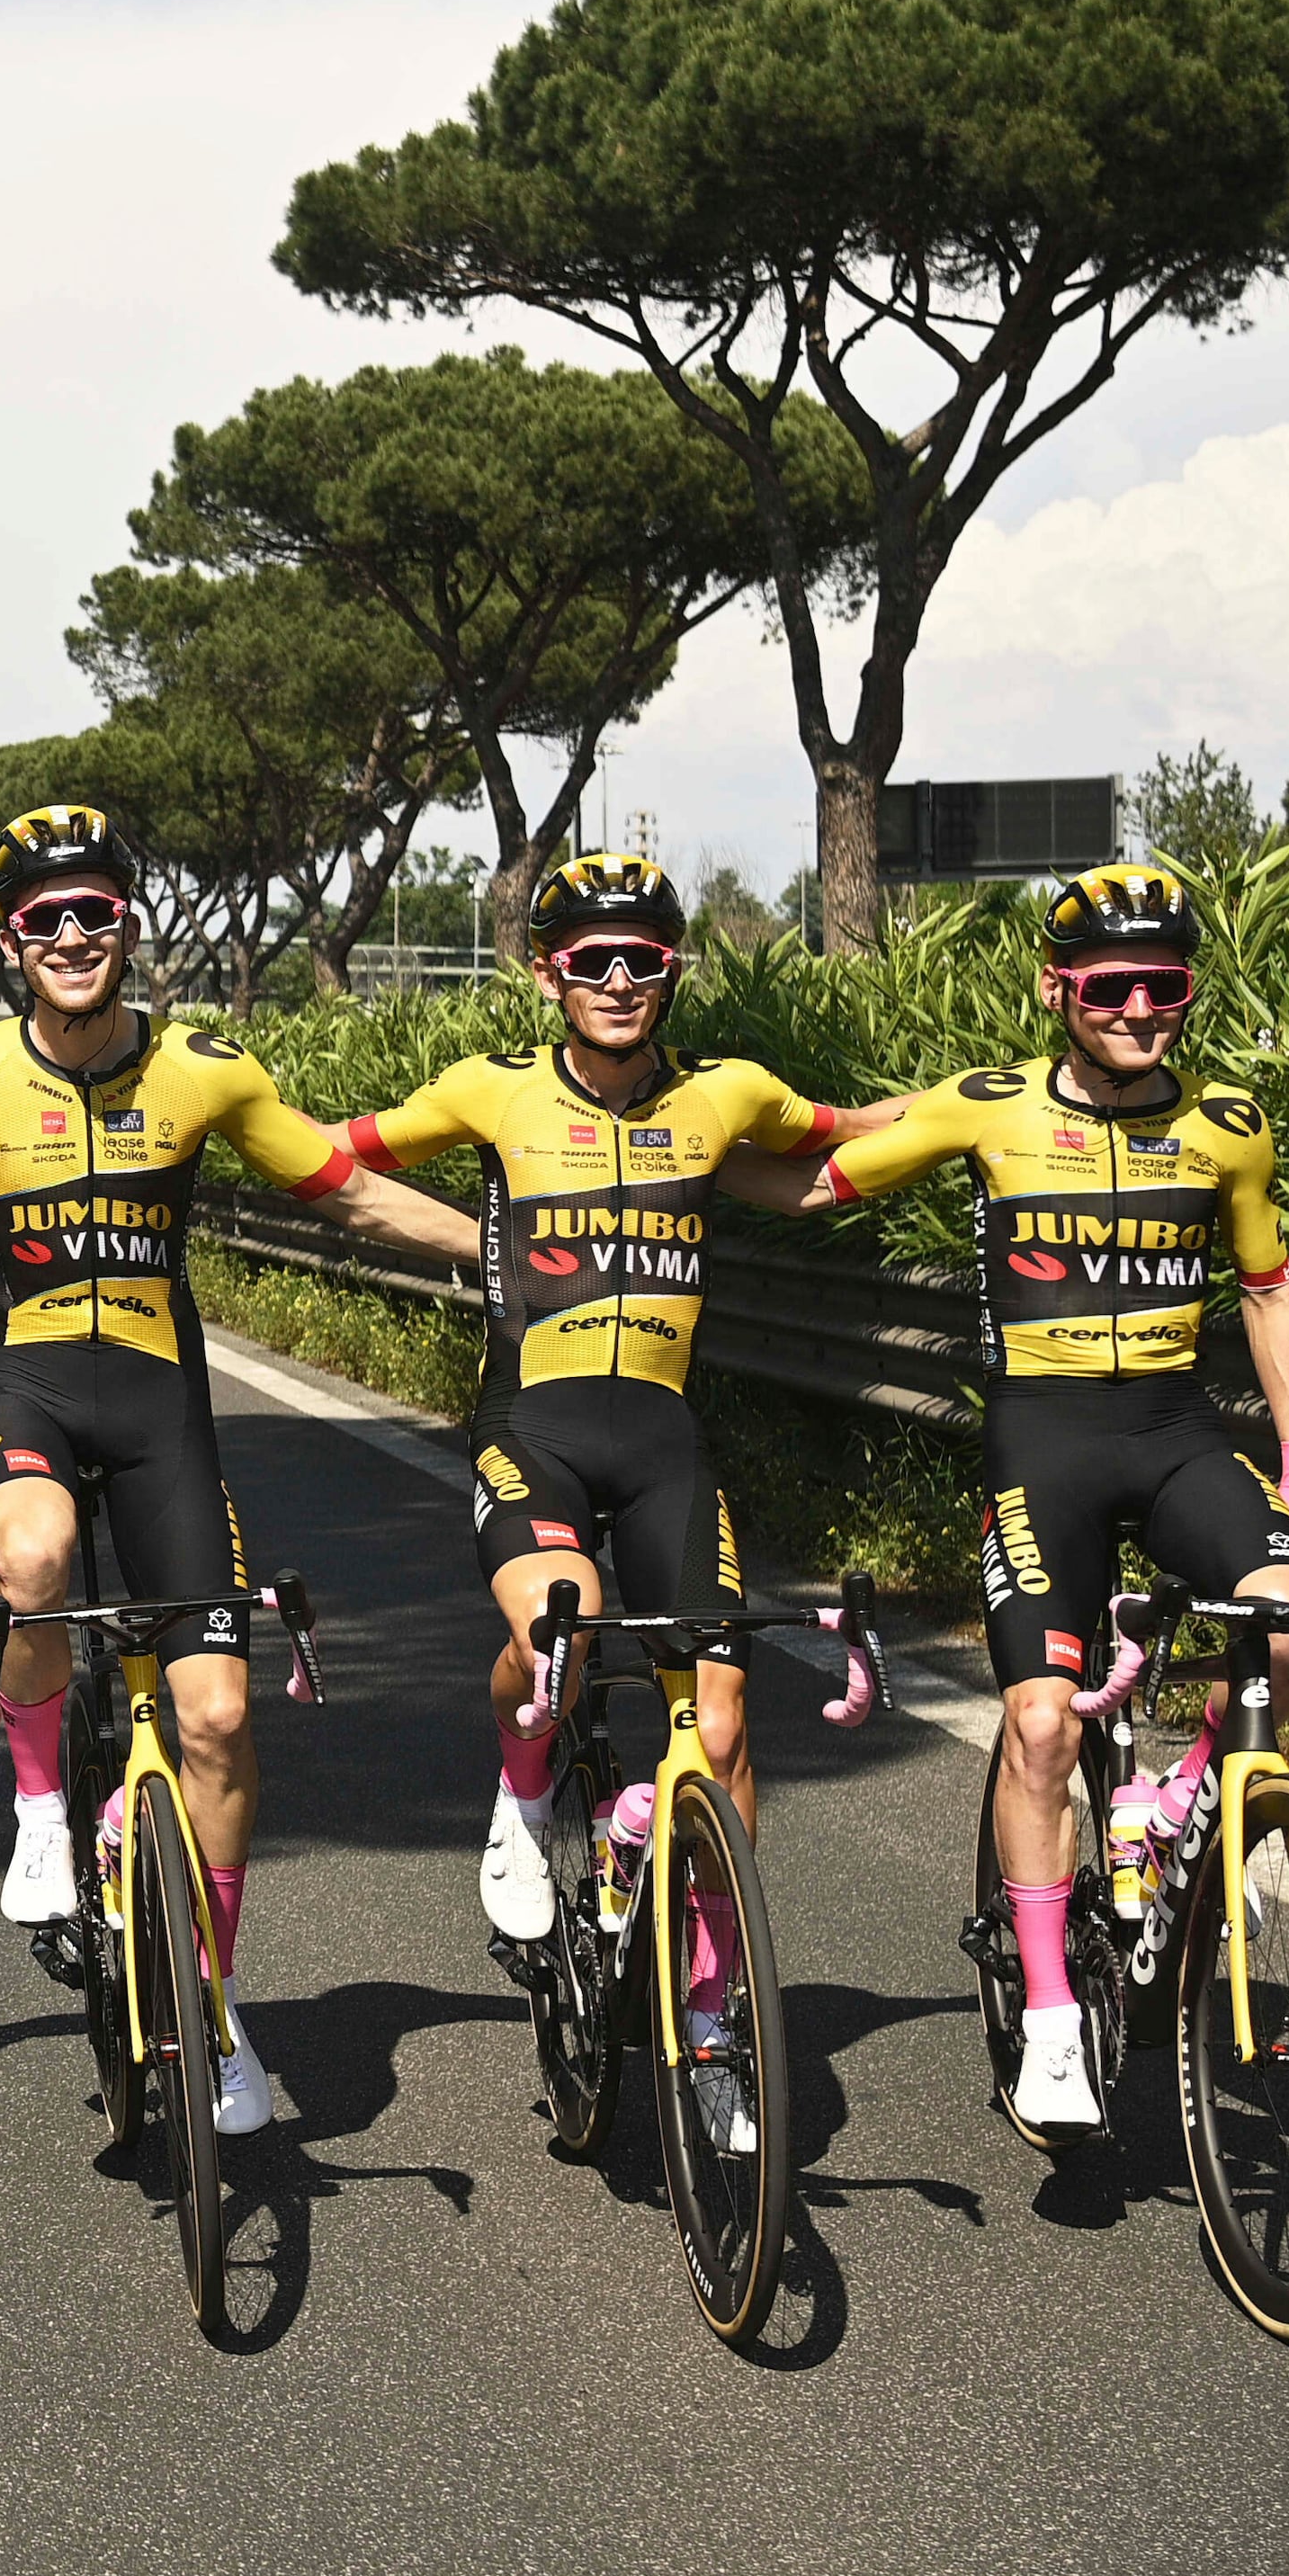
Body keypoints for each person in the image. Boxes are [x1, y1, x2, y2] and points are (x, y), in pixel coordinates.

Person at [0, 806, 479, 2135]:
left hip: (163, 1416)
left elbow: (344, 1190)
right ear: (10, 943)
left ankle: (219, 2002)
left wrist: (494, 1250)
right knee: (35, 1560)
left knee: (223, 1720)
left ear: (127, 924)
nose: (70, 936)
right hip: (24, 1396)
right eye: (41, 919)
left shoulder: (207, 1070)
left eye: (94, 912)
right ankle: (34, 1810)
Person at [330, 853, 889, 2156]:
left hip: (667, 1441)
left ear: (674, 964)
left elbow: (849, 1135)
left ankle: (712, 2009)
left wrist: (1016, 1101)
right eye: (593, 957)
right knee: (556, 1635)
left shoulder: (723, 1096)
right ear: (549, 973)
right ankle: (525, 1800)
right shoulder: (493, 1089)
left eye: (644, 955)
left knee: (729, 1708)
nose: (621, 978)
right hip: (533, 1425)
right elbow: (333, 1155)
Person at [815, 860, 1289, 2133]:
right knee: (1042, 1726)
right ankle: (1050, 2013)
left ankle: (1177, 1798)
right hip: (1039, 1442)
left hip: (1173, 1433)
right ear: (1059, 990)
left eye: (1165, 986)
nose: (1139, 1008)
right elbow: (832, 1153)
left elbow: (1268, 1288)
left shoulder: (1231, 1124)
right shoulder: (986, 1109)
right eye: (1111, 986)